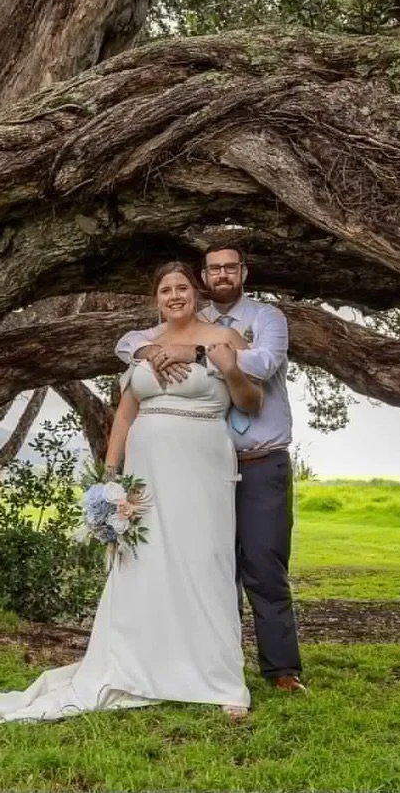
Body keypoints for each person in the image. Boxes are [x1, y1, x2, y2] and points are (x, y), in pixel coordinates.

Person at [0, 262, 261, 723]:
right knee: (145, 562)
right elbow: (126, 415)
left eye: (182, 288)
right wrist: (111, 475)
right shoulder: (142, 346)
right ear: (156, 298)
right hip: (146, 469)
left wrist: (231, 371)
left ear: (196, 293)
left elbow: (253, 401)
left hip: (202, 464)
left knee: (206, 560)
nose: (174, 296)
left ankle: (221, 682)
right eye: (165, 289)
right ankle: (142, 667)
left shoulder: (224, 339)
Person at [116, 243, 305, 693]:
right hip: (201, 468)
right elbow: (126, 344)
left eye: (230, 268)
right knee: (206, 564)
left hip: (259, 461)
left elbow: (263, 363)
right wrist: (148, 352)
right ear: (205, 278)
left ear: (244, 272)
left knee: (263, 564)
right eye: (214, 269)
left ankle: (281, 670)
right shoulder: (190, 324)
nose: (222, 275)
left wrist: (196, 355)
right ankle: (213, 660)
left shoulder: (264, 320)